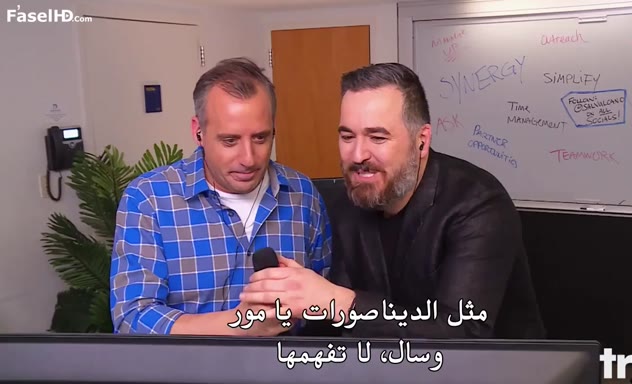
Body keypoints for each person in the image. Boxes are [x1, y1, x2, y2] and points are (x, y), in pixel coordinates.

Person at [240, 62, 545, 339]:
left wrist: (339, 303)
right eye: (347, 137)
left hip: (492, 376)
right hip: (383, 370)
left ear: (421, 141)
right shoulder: (347, 203)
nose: (358, 155)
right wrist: (296, 297)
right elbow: (335, 325)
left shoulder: (479, 204)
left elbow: (463, 333)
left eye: (378, 137)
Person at [110, 57, 332, 336]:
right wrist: (238, 325)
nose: (248, 159)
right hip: (194, 367)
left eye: (261, 138)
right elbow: (133, 320)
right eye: (230, 140)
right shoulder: (149, 200)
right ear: (198, 132)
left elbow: (326, 308)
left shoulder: (303, 195)